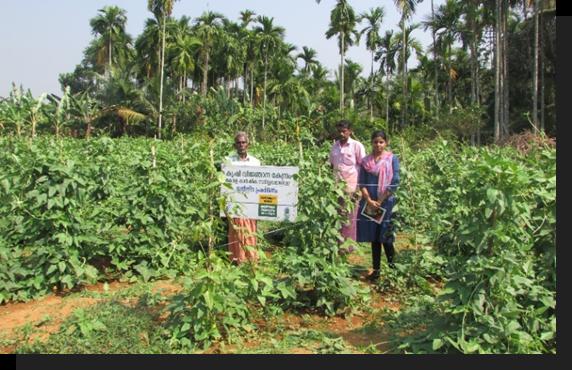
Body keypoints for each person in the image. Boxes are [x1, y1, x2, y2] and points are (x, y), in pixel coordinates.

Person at [357, 130, 400, 281]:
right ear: (371, 143)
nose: (378, 145)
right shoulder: (365, 161)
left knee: (387, 237)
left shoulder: (392, 159)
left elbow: (395, 181)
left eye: (381, 142)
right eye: (375, 141)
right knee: (374, 238)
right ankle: (376, 271)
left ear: (386, 143)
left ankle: (393, 271)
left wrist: (380, 200)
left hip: (386, 203)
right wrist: (368, 200)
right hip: (370, 203)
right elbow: (361, 182)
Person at [329, 120, 366, 252]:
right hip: (336, 188)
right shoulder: (334, 147)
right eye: (339, 131)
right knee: (338, 216)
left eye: (344, 131)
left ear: (350, 131)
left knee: (350, 217)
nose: (341, 133)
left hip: (351, 188)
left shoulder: (357, 146)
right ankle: (339, 245)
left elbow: (363, 167)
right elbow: (331, 166)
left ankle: (349, 247)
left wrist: (359, 188)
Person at [224, 131, 261, 265]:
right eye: (239, 143)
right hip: (235, 203)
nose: (241, 145)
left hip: (250, 203)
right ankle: (237, 259)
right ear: (235, 145)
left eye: (243, 142)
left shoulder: (256, 162)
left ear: (248, 144)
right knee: (236, 230)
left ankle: (251, 258)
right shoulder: (228, 161)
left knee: (251, 229)